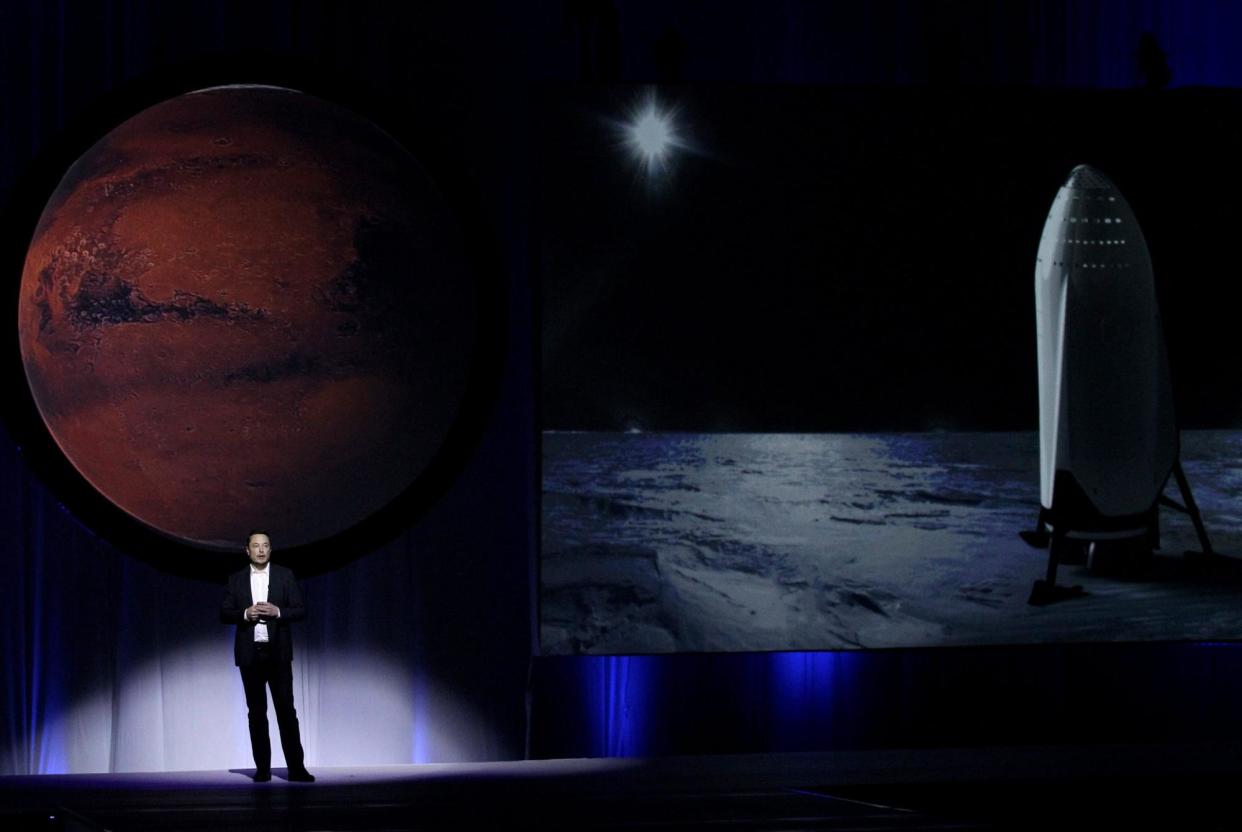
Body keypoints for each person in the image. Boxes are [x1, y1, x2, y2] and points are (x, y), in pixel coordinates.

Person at [220, 531, 315, 782]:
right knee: (256, 713)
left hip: (278, 654)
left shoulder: (285, 575)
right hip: (251, 655)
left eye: (265, 546)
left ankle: (297, 768)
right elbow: (224, 613)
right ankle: (262, 769)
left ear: (270, 550)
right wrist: (245, 614)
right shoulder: (236, 579)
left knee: (286, 711)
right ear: (247, 550)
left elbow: (301, 610)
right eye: (255, 546)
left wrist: (278, 611)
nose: (260, 550)